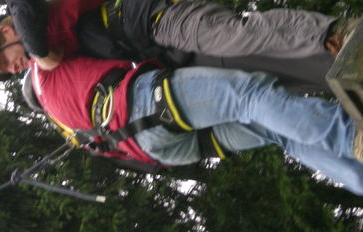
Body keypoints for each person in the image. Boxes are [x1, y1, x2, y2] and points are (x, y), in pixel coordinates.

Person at [0, 0, 357, 93]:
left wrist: (42, 52)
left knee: (233, 35)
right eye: (8, 75)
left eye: (5, 63)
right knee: (254, 72)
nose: (15, 69)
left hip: (150, 11)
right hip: (159, 45)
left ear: (7, 31)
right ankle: (339, 68)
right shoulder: (59, 50)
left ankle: (337, 33)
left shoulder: (48, 4)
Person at [25, 54, 363, 195]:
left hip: (166, 148)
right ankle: (353, 136)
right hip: (147, 103)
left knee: (275, 130)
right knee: (250, 96)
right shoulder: (45, 71)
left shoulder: (69, 128)